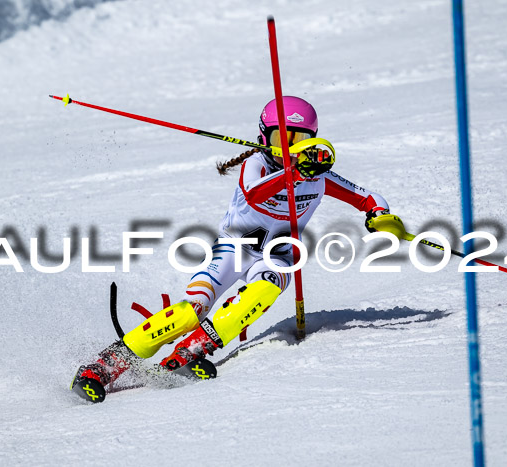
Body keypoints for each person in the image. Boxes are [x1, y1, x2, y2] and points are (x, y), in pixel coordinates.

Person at [71, 96, 394, 402]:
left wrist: (379, 215)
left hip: (277, 254)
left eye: (298, 139)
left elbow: (367, 195)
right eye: (281, 138)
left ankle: (190, 353)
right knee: (189, 311)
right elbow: (255, 195)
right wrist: (293, 173)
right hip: (234, 248)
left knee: (263, 292)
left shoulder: (318, 178)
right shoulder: (256, 164)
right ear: (263, 137)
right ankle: (101, 368)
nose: (289, 148)